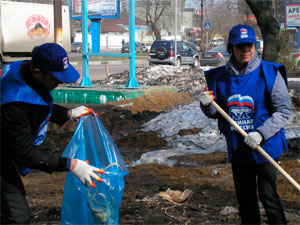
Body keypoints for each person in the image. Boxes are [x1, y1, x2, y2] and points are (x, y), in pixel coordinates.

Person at [0, 43, 104, 224]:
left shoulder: (23, 70)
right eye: (55, 78)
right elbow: (25, 154)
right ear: (37, 72)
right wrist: (71, 165)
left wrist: (67, 114)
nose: (60, 82)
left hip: (6, 140)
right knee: (15, 216)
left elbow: (36, 103)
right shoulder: (14, 102)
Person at [199, 24, 292, 224]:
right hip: (239, 148)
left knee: (269, 198)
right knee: (246, 201)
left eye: (249, 45)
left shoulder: (269, 73)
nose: (246, 50)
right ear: (231, 48)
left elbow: (284, 111)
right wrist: (205, 104)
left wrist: (260, 133)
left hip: (265, 147)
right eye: (240, 46)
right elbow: (216, 112)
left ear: (255, 46)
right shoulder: (220, 78)